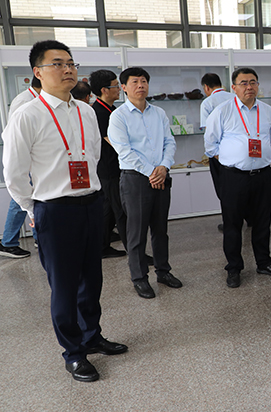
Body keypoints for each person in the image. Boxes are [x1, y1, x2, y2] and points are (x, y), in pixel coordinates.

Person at [2, 40, 127, 382]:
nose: (67, 69)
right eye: (57, 63)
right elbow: (14, 173)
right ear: (38, 72)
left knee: (92, 279)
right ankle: (73, 352)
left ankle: (92, 336)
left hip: (91, 204)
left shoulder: (86, 111)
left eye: (71, 63)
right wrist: (34, 209)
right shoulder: (26, 115)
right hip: (55, 210)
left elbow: (93, 156)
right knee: (64, 285)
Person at [204, 68, 271, 288]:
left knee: (263, 222)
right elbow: (210, 144)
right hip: (234, 177)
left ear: (258, 85)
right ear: (234, 87)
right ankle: (234, 268)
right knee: (232, 224)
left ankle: (264, 262)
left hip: (262, 175)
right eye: (243, 83)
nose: (249, 87)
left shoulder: (267, 110)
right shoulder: (222, 111)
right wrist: (230, 157)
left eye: (253, 82)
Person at [108, 67, 181, 299]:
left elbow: (169, 142)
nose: (140, 85)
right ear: (124, 87)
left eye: (144, 81)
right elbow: (124, 152)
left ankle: (163, 272)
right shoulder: (119, 116)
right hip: (136, 179)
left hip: (160, 175)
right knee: (136, 232)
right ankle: (139, 278)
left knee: (160, 230)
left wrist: (164, 167)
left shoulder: (158, 112)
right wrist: (152, 172)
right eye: (135, 82)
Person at [0, 76, 41, 258]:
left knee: (33, 198)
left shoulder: (34, 99)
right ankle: (8, 242)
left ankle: (38, 237)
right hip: (26, 159)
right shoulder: (24, 101)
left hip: (35, 160)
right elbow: (15, 135)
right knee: (20, 201)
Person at [89, 69, 128, 259]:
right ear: (104, 90)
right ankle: (135, 253)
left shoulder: (111, 109)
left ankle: (102, 246)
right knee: (121, 211)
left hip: (112, 167)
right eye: (115, 86)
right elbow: (114, 142)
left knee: (109, 209)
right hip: (109, 168)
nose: (119, 89)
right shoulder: (99, 112)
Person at [199, 73, 233, 233]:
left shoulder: (208, 102)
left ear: (206, 87)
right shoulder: (234, 97)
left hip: (219, 154)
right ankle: (249, 218)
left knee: (224, 189)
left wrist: (216, 154)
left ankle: (229, 223)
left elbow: (208, 132)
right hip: (238, 152)